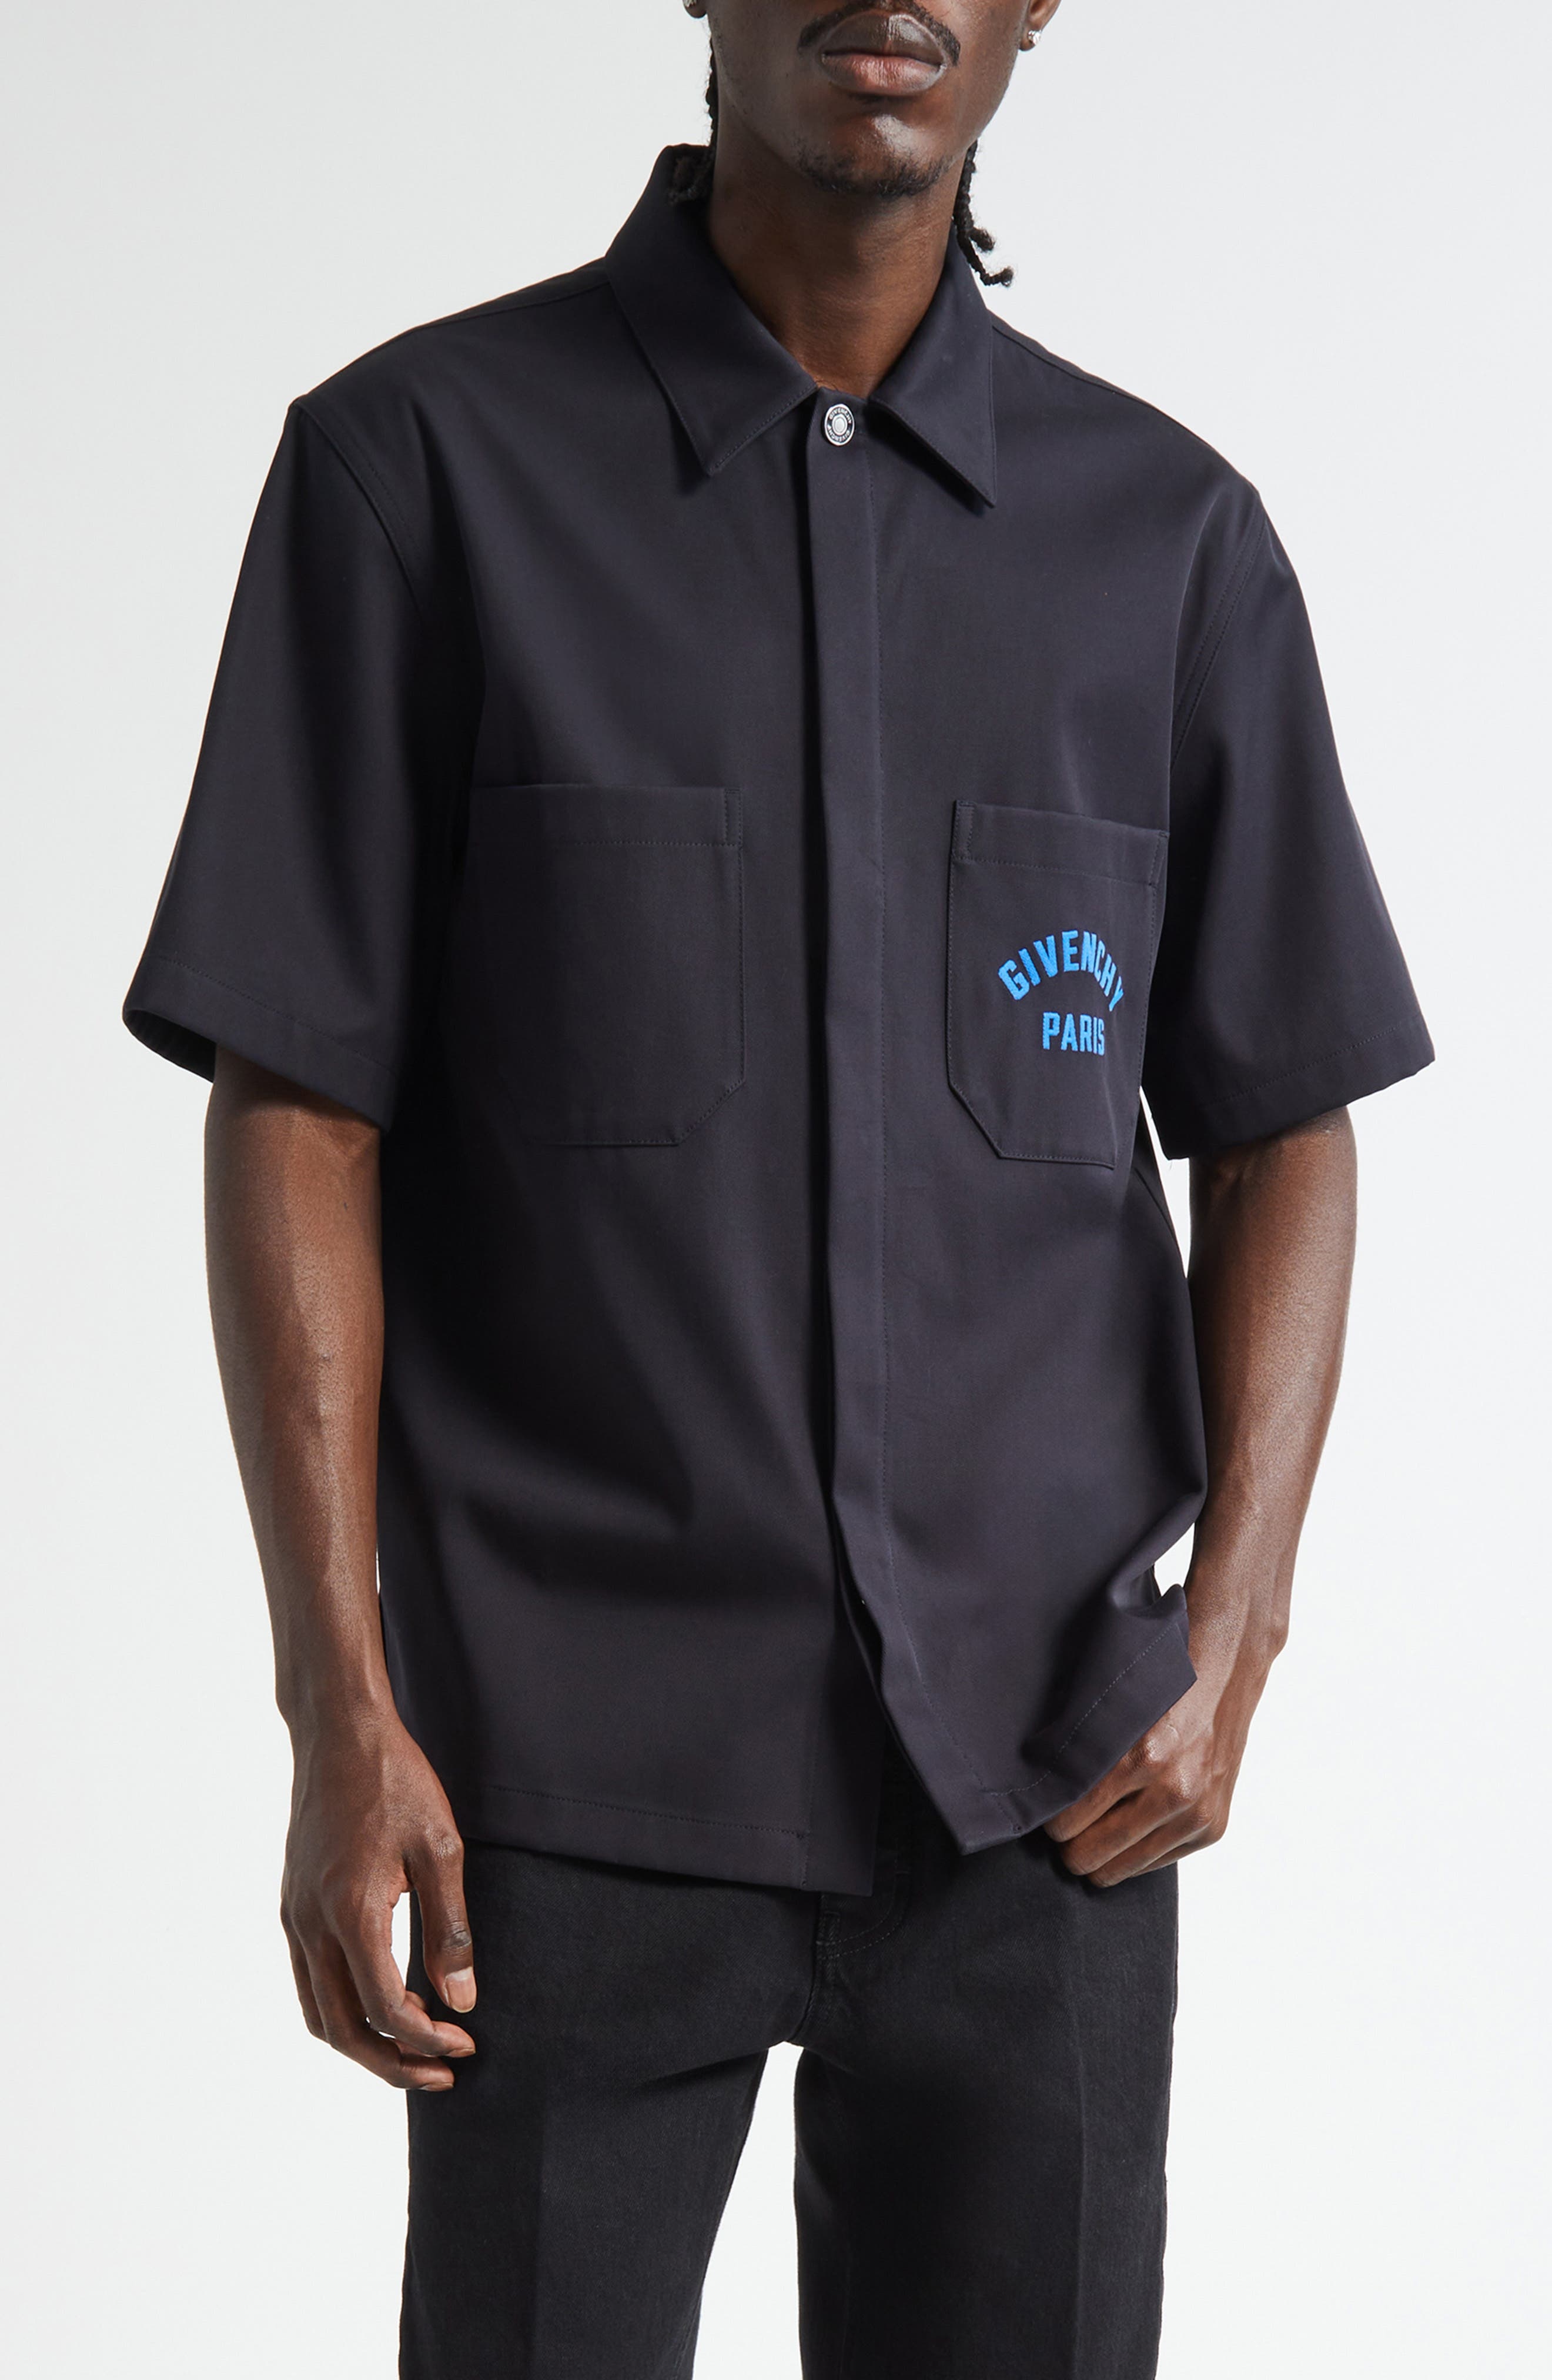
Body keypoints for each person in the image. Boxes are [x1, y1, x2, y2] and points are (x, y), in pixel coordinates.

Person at [123, 4, 1433, 2373]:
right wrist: (338, 1705)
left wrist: (1232, 1639)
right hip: (556, 1788)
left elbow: (1282, 1119)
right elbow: (298, 1106)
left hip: (1042, 1800)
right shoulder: (419, 476)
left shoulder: (1170, 545)